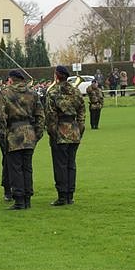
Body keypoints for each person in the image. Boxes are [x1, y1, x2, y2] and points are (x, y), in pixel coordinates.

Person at [0, 69, 45, 210]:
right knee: (27, 168)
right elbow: (40, 116)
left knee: (15, 168)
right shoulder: (33, 93)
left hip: (13, 134)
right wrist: (37, 134)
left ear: (11, 80)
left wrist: (2, 136)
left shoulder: (5, 93)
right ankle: (27, 199)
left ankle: (19, 200)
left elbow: (0, 118)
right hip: (29, 133)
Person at [45, 65, 85, 206]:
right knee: (71, 164)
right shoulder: (75, 91)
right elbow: (81, 110)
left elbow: (50, 115)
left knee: (60, 165)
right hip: (74, 130)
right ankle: (70, 195)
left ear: (57, 75)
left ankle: (62, 195)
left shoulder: (53, 92)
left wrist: (52, 132)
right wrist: (80, 127)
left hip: (60, 130)